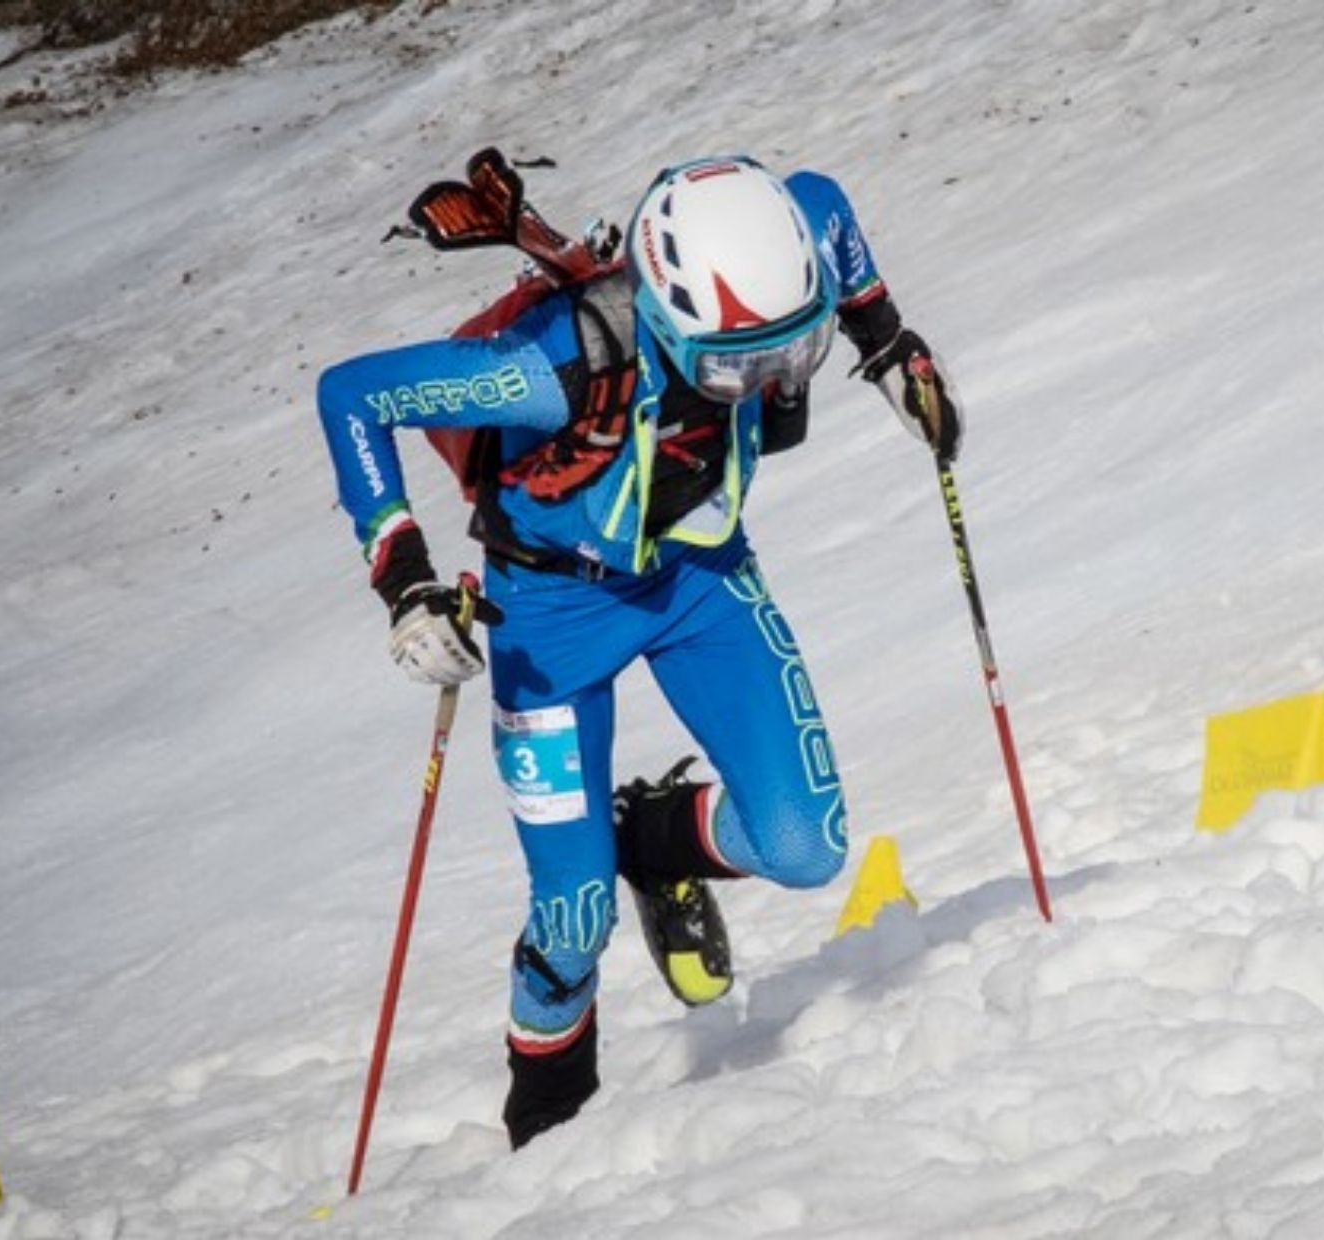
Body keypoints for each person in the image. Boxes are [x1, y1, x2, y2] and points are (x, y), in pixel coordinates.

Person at [316, 155, 963, 1148]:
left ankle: (654, 838)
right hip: (546, 619)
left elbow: (824, 204)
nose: (766, 388)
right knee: (572, 921)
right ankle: (545, 1129)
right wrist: (402, 577)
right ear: (665, 315)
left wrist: (885, 343)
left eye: (791, 359)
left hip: (698, 578)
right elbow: (354, 395)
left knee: (804, 844)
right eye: (740, 368)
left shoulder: (781, 257)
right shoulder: (549, 371)